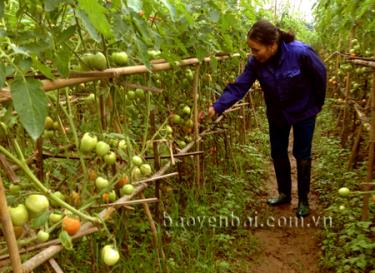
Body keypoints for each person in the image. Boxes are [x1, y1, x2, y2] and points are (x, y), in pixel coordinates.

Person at [208, 19, 326, 218]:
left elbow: (320, 75)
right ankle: (284, 194)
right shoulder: (256, 63)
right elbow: (240, 86)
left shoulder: (300, 53)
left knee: (302, 153)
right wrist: (217, 107)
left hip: (304, 110)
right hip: (277, 113)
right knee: (278, 151)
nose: (252, 54)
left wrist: (316, 104)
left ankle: (304, 200)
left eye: (256, 49)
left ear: (272, 45)